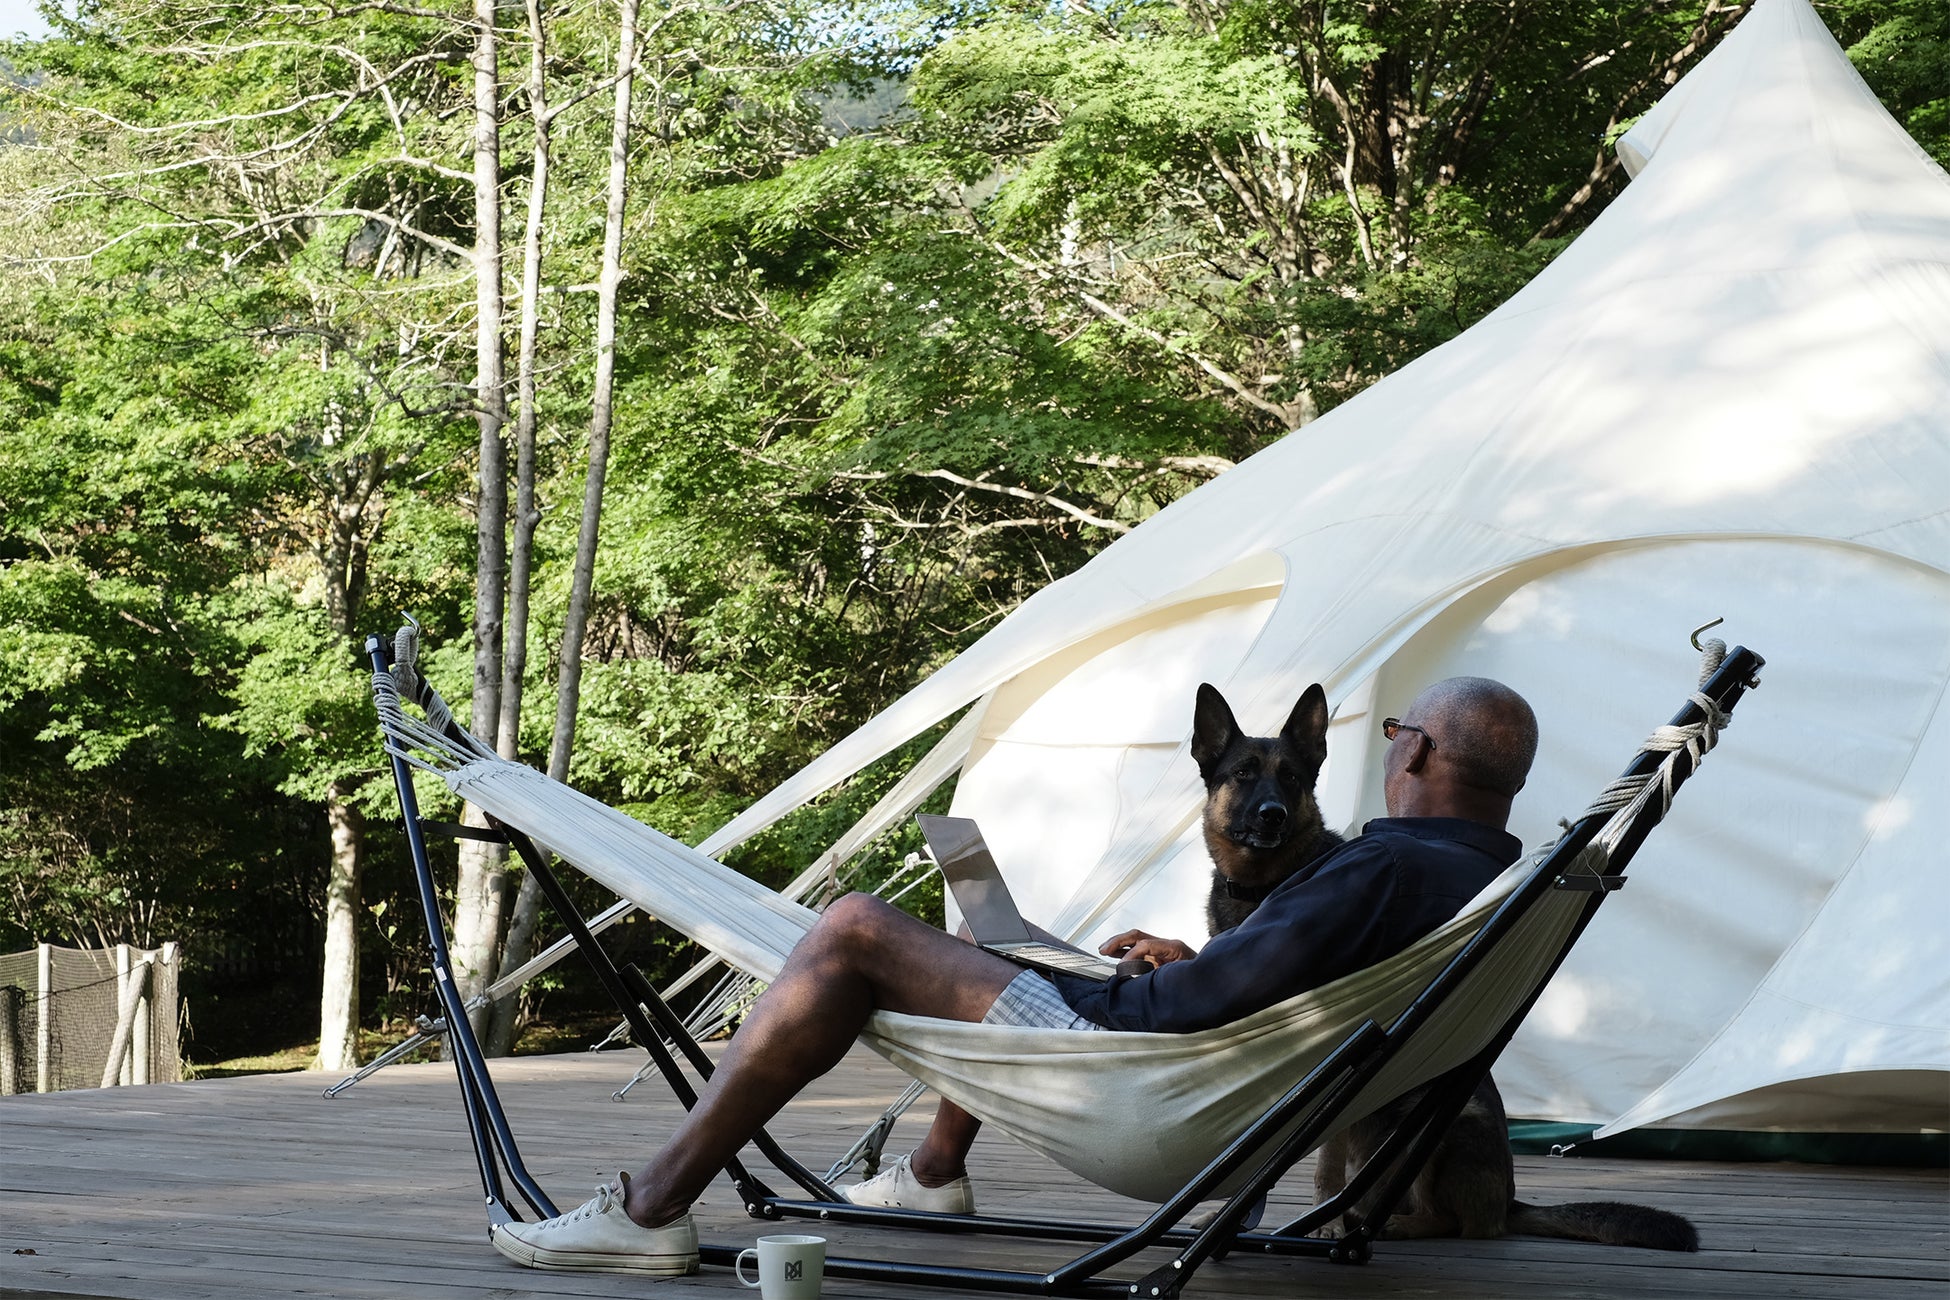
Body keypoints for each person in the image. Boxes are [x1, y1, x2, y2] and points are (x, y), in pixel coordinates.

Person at [490, 676, 1539, 1276]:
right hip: (1237, 1097)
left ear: (1419, 754)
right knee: (1000, 948)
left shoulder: (1382, 859)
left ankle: (650, 1205)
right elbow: (1272, 982)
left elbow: (1200, 1007)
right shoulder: (1489, 874)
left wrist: (1096, 985)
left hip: (1158, 1094)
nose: (1392, 744)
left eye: (1400, 730)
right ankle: (935, 1177)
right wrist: (1144, 963)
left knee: (855, 926)